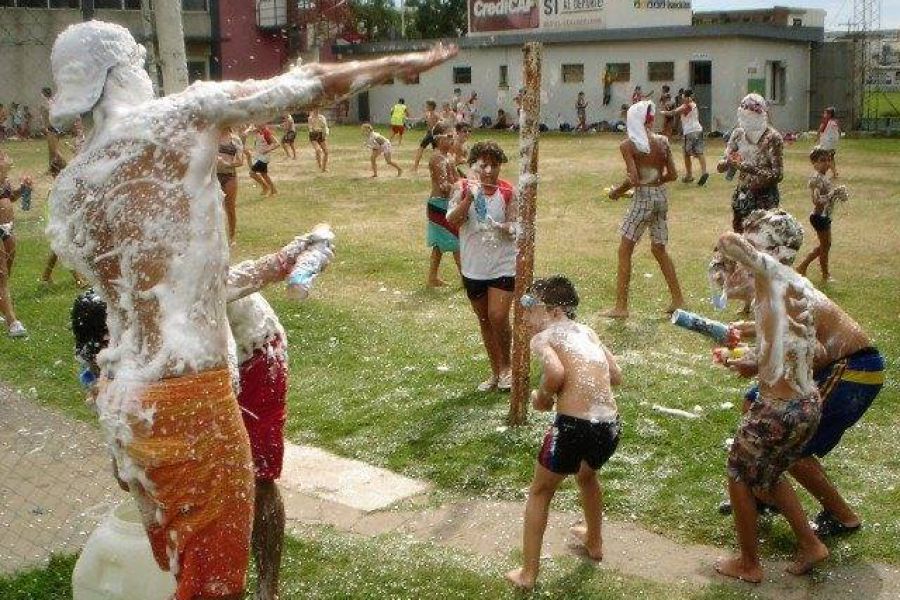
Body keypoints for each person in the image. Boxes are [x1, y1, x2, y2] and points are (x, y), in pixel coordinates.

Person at [47, 20, 454, 600]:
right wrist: (396, 64)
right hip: (190, 402)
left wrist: (281, 261)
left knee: (183, 569)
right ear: (123, 70)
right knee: (214, 586)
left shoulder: (80, 181)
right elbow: (298, 86)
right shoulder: (177, 117)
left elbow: (162, 297)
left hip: (125, 399)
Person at [718, 233, 884, 542]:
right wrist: (755, 337)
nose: (727, 280)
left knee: (791, 443)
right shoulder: (775, 288)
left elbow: (817, 352)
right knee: (752, 402)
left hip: (853, 368)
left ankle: (842, 516)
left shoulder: (781, 285)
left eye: (732, 271)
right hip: (838, 365)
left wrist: (757, 363)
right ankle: (762, 493)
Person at [714, 210, 829, 583]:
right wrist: (751, 359)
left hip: (778, 409)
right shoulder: (794, 284)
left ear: (775, 249)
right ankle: (810, 544)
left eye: (758, 240)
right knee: (768, 475)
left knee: (738, 473)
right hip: (806, 403)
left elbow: (728, 241)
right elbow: (793, 343)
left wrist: (738, 243)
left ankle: (749, 564)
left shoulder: (771, 271)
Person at [505, 276, 622, 591]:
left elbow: (556, 373)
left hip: (573, 426)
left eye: (531, 306)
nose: (527, 316)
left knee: (540, 492)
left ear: (555, 311)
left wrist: (542, 398)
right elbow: (616, 375)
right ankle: (594, 541)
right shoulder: (589, 332)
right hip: (609, 425)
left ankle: (528, 574)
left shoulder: (545, 337)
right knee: (587, 476)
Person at [446, 140, 518, 392]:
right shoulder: (461, 187)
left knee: (499, 316)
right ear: (473, 164)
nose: (488, 171)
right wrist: (468, 198)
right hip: (473, 266)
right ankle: (496, 372)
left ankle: (508, 367)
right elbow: (453, 220)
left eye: (494, 166)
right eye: (483, 165)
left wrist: (503, 228)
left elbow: (515, 226)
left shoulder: (508, 191)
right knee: (485, 319)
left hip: (503, 265)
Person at [603, 101, 684, 319]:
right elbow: (673, 175)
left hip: (643, 199)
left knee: (625, 249)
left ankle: (621, 307)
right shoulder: (663, 142)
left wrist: (616, 192)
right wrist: (654, 182)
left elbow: (634, 179)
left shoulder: (629, 145)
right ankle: (678, 299)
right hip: (660, 197)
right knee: (659, 249)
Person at [717, 93, 784, 232]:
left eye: (751, 116)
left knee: (762, 243)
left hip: (765, 199)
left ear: (761, 115)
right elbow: (721, 166)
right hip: (742, 196)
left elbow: (778, 175)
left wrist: (750, 169)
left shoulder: (772, 138)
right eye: (744, 116)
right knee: (741, 243)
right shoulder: (738, 134)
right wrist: (729, 161)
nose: (747, 120)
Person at [796, 147, 849, 282]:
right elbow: (816, 201)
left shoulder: (823, 177)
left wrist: (836, 194)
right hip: (819, 217)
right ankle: (823, 274)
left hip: (824, 216)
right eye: (822, 160)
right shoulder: (816, 179)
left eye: (828, 160)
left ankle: (804, 267)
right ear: (814, 163)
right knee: (825, 246)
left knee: (826, 245)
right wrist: (833, 194)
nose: (826, 163)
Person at [0, 150, 31, 337]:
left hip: (7, 227)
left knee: (6, 273)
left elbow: (9, 196)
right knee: (1, 273)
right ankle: (12, 322)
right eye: (2, 159)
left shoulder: (3, 179)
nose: (6, 160)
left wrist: (23, 189)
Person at [425, 122, 460, 287]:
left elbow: (456, 181)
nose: (453, 139)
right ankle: (467, 279)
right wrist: (462, 188)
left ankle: (432, 277)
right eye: (449, 136)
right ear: (439, 139)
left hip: (447, 202)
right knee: (455, 240)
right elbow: (444, 186)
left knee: (441, 243)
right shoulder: (437, 158)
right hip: (439, 204)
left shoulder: (449, 157)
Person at [660, 89, 708, 185]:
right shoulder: (694, 104)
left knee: (686, 154)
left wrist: (662, 112)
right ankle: (704, 172)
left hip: (690, 132)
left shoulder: (686, 105)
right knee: (700, 152)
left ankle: (689, 175)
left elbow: (673, 112)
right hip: (698, 130)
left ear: (685, 97)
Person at [217, 126, 244, 242]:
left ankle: (232, 237)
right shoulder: (212, 137)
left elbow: (240, 162)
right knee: (213, 207)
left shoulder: (235, 139)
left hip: (229, 176)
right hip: (214, 176)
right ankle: (216, 236)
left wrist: (225, 163)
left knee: (230, 208)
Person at [40, 87, 67, 176]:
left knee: (54, 150)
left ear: (44, 94)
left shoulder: (48, 104)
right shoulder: (53, 102)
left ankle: (65, 166)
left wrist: (45, 127)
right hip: (54, 128)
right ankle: (52, 168)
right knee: (51, 150)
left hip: (53, 128)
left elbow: (48, 117)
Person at [249, 123, 279, 196]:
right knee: (264, 174)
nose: (256, 124)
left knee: (252, 173)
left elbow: (277, 143)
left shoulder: (266, 132)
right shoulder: (258, 131)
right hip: (259, 156)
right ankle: (273, 190)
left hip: (264, 158)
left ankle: (265, 187)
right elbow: (247, 131)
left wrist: (267, 150)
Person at [411, 99, 441, 173]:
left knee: (423, 149)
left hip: (433, 134)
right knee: (435, 151)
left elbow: (440, 123)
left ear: (431, 106)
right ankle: (415, 167)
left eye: (427, 105)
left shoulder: (435, 115)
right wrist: (411, 119)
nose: (426, 106)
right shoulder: (429, 114)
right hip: (432, 134)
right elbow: (421, 119)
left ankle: (415, 167)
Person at [817, 107, 840, 178]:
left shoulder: (826, 121)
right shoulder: (836, 121)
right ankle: (834, 172)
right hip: (834, 143)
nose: (824, 114)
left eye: (825, 113)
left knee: (824, 157)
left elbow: (820, 129)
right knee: (831, 157)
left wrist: (817, 136)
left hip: (827, 142)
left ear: (829, 114)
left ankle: (822, 171)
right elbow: (839, 131)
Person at [307, 107, 330, 173]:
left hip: (321, 134)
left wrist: (325, 134)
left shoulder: (322, 117)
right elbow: (310, 128)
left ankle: (324, 168)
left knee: (326, 152)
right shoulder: (310, 118)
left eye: (317, 109)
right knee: (318, 150)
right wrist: (313, 131)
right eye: (315, 109)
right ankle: (319, 165)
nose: (316, 111)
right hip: (313, 135)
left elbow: (325, 127)